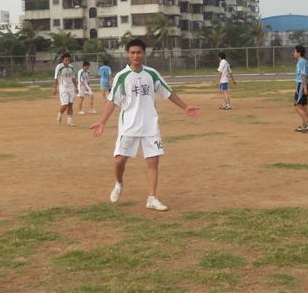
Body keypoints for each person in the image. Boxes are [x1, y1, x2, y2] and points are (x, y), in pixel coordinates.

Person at [90, 39, 200, 211]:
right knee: (119, 161)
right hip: (129, 126)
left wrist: (185, 107)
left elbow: (168, 92)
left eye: (139, 52)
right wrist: (102, 122)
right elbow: (112, 101)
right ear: (127, 54)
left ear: (144, 53)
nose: (136, 55)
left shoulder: (151, 74)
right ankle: (119, 183)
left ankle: (151, 198)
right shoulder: (122, 76)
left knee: (153, 161)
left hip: (150, 126)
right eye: (132, 52)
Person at [53, 53, 78, 127]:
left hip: (71, 88)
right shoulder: (59, 67)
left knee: (70, 104)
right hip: (63, 88)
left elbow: (73, 77)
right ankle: (60, 114)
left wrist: (76, 87)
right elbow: (56, 78)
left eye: (69, 60)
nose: (68, 62)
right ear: (62, 60)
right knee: (65, 105)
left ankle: (69, 121)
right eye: (66, 60)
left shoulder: (71, 67)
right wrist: (54, 88)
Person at [293, 45, 308, 132]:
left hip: (301, 84)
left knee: (297, 106)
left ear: (299, 53)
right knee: (304, 106)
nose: (294, 53)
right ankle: (304, 125)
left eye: (295, 52)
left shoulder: (301, 62)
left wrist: (304, 87)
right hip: (304, 84)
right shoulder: (303, 61)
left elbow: (303, 74)